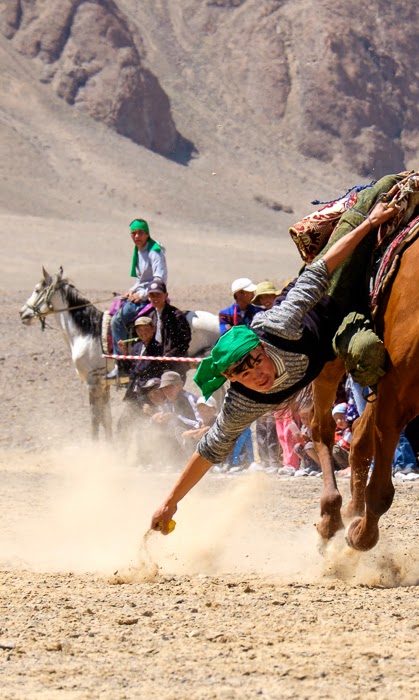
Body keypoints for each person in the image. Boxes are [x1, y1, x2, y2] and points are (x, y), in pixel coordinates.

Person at [150, 201, 399, 532]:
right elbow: (209, 451)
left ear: (261, 348)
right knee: (367, 352)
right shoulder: (243, 402)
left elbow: (321, 269)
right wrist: (170, 502)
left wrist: (370, 222)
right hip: (337, 342)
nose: (258, 376)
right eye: (244, 375)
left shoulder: (280, 323)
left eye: (255, 363)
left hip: (335, 301)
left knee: (375, 205)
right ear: (232, 380)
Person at [110, 218, 168, 353]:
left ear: (147, 234)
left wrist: (141, 295)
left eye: (140, 233)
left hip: (151, 295)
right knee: (115, 305)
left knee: (117, 321)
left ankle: (120, 359)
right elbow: (140, 280)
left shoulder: (154, 251)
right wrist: (131, 291)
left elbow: (159, 278)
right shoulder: (139, 251)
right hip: (142, 292)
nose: (137, 236)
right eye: (134, 233)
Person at [143, 280, 192, 369]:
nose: (155, 298)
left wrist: (170, 356)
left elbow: (184, 341)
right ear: (148, 297)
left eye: (158, 294)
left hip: (175, 365)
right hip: (158, 364)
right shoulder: (151, 316)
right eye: (152, 295)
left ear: (166, 295)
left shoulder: (176, 315)